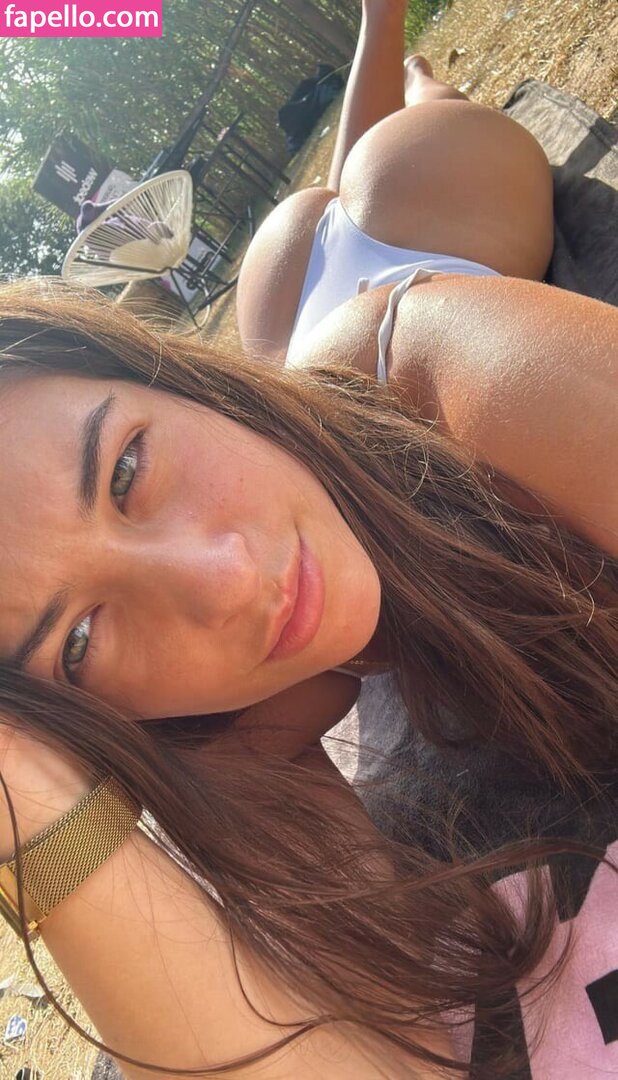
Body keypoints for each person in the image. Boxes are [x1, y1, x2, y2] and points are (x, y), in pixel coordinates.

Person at [0, 5, 616, 1079]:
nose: (227, 582)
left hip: (418, 218)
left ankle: (409, 60)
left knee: (395, 149)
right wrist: (32, 808)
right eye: (83, 638)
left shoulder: (431, 353)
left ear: (165, 381)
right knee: (289, 298)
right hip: (285, 339)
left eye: (128, 470)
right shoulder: (217, 734)